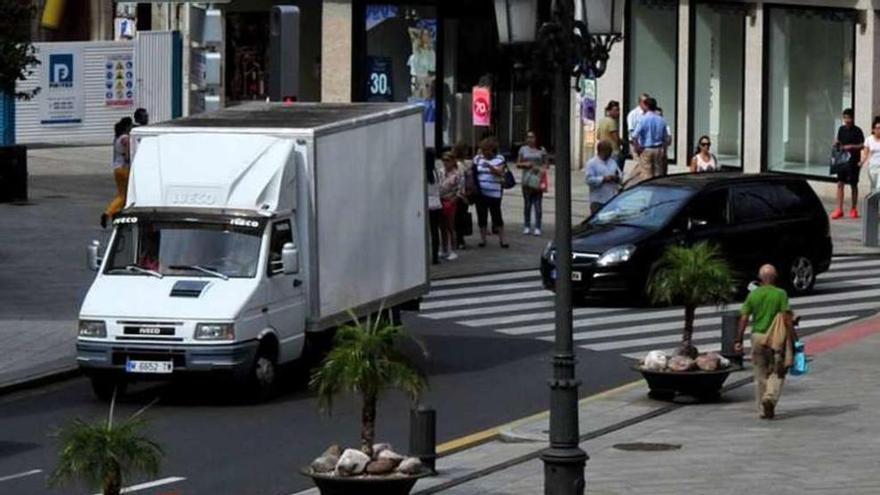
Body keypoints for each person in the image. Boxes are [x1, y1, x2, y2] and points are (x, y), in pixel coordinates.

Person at [735, 264, 794, 420]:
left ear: (760, 278)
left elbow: (744, 318)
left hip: (757, 337)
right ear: (775, 277)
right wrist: (793, 338)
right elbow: (786, 318)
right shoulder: (780, 294)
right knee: (777, 371)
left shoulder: (753, 295)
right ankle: (770, 398)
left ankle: (762, 408)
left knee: (760, 373)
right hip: (776, 338)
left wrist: (738, 339)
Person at [473, 136, 509, 248]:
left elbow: (500, 172)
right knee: (481, 216)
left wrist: (490, 167)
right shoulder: (478, 158)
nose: (484, 152)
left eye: (486, 150)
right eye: (482, 150)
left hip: (494, 193)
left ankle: (502, 240)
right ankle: (483, 239)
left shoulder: (500, 159)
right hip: (480, 193)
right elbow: (473, 172)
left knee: (497, 216)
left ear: (492, 149)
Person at [627, 97, 669, 187]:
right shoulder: (661, 120)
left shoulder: (643, 119)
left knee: (646, 174)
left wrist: (637, 147)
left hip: (647, 148)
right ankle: (657, 191)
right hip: (658, 148)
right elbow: (665, 137)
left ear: (646, 106)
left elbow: (634, 135)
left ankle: (648, 191)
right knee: (658, 174)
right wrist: (664, 150)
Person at [100, 117, 134, 228]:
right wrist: (129, 159)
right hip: (124, 168)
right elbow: (128, 149)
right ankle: (110, 213)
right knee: (124, 196)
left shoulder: (117, 138)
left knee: (120, 194)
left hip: (117, 168)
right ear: (127, 127)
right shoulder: (125, 138)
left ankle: (113, 213)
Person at [832, 108, 865, 219]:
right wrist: (836, 143)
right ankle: (839, 209)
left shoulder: (857, 131)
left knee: (853, 184)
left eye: (849, 118)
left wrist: (851, 146)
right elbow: (839, 142)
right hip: (842, 160)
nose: (847, 120)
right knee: (840, 183)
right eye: (845, 117)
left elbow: (862, 145)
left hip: (854, 161)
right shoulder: (841, 129)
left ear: (853, 118)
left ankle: (853, 208)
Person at [515, 130, 548, 236]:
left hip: (537, 180)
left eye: (532, 137)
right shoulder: (523, 149)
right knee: (527, 204)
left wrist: (540, 169)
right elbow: (518, 163)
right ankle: (527, 226)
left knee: (538, 206)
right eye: (528, 137)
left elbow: (546, 164)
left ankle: (538, 226)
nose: (530, 139)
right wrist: (526, 164)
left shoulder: (541, 150)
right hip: (527, 180)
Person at [585, 140, 621, 214]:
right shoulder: (592, 163)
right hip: (598, 200)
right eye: (609, 151)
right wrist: (603, 179)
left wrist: (617, 178)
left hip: (612, 198)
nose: (611, 153)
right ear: (602, 151)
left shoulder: (612, 162)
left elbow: (619, 174)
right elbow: (588, 180)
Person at [439, 152, 462, 260]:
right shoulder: (441, 172)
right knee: (442, 226)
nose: (445, 162)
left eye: (448, 160)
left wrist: (453, 200)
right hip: (440, 200)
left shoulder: (457, 174)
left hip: (450, 200)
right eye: (444, 160)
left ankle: (453, 250)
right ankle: (444, 249)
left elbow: (461, 190)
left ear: (453, 161)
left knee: (450, 226)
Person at [452, 142, 473, 250]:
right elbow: (461, 181)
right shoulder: (460, 165)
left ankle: (458, 239)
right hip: (460, 195)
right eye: (465, 150)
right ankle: (459, 240)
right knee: (459, 218)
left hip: (461, 194)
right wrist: (464, 195)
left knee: (458, 218)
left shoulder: (463, 163)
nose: (467, 152)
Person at [426, 149, 443, 264]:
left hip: (426, 203)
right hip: (437, 203)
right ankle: (435, 256)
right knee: (435, 231)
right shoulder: (437, 172)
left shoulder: (423, 172)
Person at [597, 100, 622, 170]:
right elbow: (616, 138)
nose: (618, 113)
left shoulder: (602, 121)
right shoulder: (612, 122)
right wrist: (621, 143)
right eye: (615, 110)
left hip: (603, 151)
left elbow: (598, 136)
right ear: (609, 111)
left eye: (618, 110)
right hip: (613, 151)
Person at [627, 93, 650, 163]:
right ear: (640, 102)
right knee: (638, 165)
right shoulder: (633, 114)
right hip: (636, 144)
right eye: (645, 102)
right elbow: (631, 131)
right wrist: (636, 146)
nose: (647, 103)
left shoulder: (649, 114)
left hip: (646, 145)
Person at [862, 118, 880, 194]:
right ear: (873, 129)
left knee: (879, 187)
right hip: (872, 167)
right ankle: (874, 205)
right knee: (873, 188)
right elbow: (865, 154)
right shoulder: (869, 139)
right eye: (877, 128)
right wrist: (861, 162)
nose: (879, 130)